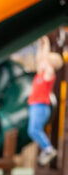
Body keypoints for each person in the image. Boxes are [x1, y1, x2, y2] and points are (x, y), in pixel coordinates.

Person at [27, 36, 64, 166]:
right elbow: (40, 59)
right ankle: (47, 149)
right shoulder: (40, 74)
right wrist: (40, 43)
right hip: (34, 106)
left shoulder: (49, 73)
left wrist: (46, 43)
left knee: (33, 130)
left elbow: (45, 59)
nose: (42, 62)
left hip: (41, 107)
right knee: (31, 130)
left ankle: (48, 149)